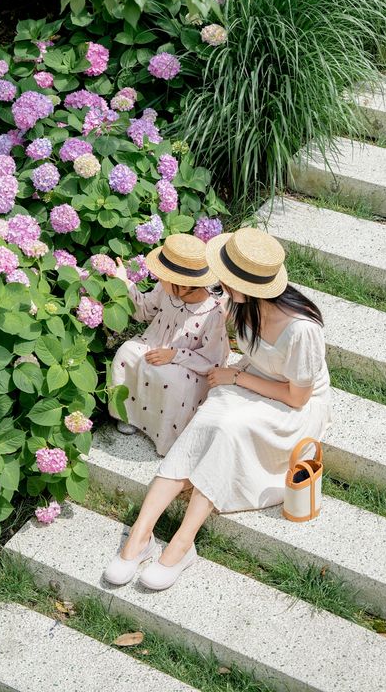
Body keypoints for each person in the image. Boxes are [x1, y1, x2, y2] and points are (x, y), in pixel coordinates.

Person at [104, 227, 332, 591]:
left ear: (245, 285)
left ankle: (181, 545)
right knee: (206, 422)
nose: (216, 284)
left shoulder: (301, 330)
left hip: (288, 405)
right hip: (248, 378)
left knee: (226, 429)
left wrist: (235, 379)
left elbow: (297, 398)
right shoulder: (241, 305)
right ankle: (139, 535)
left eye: (223, 279)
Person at [109, 233, 229, 456]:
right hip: (153, 344)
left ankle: (165, 437)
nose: (158, 278)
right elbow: (144, 310)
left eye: (163, 276)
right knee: (127, 353)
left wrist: (175, 355)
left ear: (182, 286)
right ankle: (130, 415)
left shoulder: (213, 313)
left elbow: (214, 359)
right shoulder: (165, 290)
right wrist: (124, 283)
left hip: (189, 366)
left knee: (172, 382)